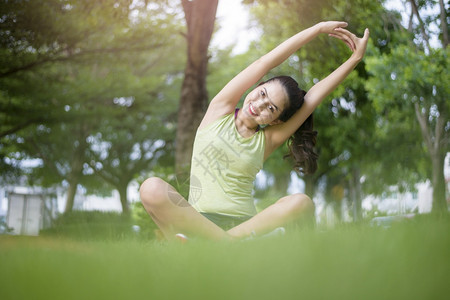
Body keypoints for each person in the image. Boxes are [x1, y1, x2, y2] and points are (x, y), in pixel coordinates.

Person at [140, 21, 370, 241]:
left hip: (244, 226)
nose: (259, 105)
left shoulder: (267, 140)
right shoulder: (219, 111)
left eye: (271, 108)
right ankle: (220, 243)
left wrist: (355, 58)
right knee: (151, 188)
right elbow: (265, 63)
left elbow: (313, 98)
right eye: (262, 94)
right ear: (257, 86)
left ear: (277, 121)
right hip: (197, 221)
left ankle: (218, 243)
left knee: (302, 202)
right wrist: (317, 29)